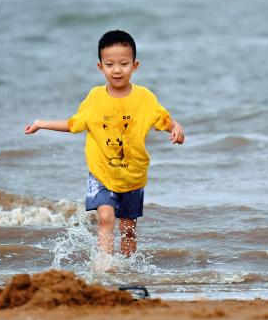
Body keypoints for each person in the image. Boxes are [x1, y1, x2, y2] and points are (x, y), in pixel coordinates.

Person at [24, 30, 185, 265]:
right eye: (110, 64)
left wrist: (176, 128)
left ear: (135, 65)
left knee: (128, 230)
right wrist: (41, 124)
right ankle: (104, 266)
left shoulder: (145, 98)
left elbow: (165, 121)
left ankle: (129, 269)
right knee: (106, 217)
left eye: (123, 63)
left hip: (133, 175)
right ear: (101, 67)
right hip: (102, 172)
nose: (117, 70)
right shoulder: (95, 97)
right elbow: (74, 124)